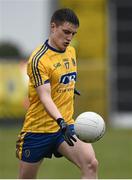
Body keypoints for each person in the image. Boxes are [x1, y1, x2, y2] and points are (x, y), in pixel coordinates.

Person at [16, 8, 98, 179]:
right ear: (53, 27)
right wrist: (61, 122)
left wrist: (68, 86)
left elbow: (60, 79)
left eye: (73, 34)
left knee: (91, 164)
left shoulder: (71, 51)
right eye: (66, 32)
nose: (69, 38)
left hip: (65, 126)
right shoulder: (39, 59)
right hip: (38, 130)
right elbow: (44, 96)